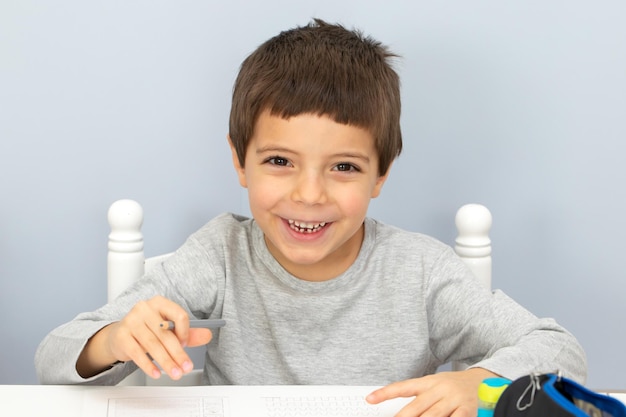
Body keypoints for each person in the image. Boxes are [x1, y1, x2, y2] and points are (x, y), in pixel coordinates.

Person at [35, 19, 586, 416]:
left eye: (344, 166)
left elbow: (560, 350)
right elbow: (54, 354)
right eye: (280, 161)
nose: (308, 193)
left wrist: (481, 385)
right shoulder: (218, 254)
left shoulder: (419, 271)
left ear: (381, 174)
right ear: (239, 161)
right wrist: (114, 340)